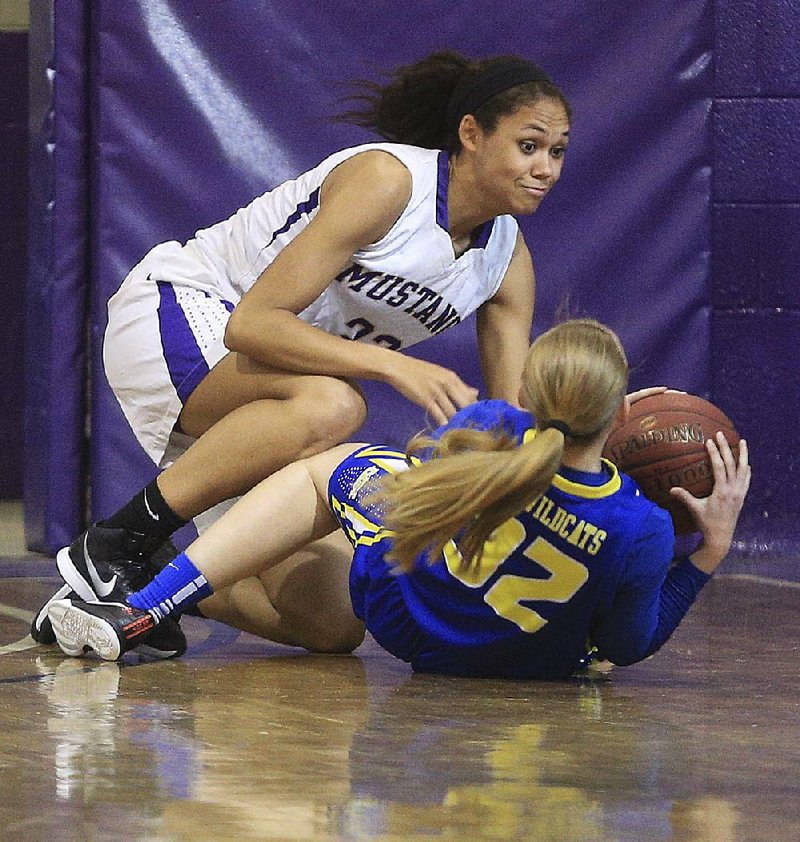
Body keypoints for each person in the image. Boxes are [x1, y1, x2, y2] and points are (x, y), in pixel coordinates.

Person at [31, 50, 573, 655]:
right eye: (530, 145)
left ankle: (140, 588)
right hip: (183, 313)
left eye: (556, 152)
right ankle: (115, 541)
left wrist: (588, 448)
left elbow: (510, 420)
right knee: (336, 405)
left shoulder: (507, 261)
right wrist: (393, 363)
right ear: (470, 134)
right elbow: (252, 325)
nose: (545, 168)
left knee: (334, 623)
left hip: (273, 403)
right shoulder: (391, 180)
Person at [46, 319, 751, 679]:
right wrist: (709, 552)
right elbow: (628, 646)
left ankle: (147, 600)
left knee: (336, 469)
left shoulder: (493, 431)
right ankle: (175, 577)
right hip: (495, 665)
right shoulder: (641, 529)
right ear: (617, 416)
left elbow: (426, 485)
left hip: (404, 616)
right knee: (330, 624)